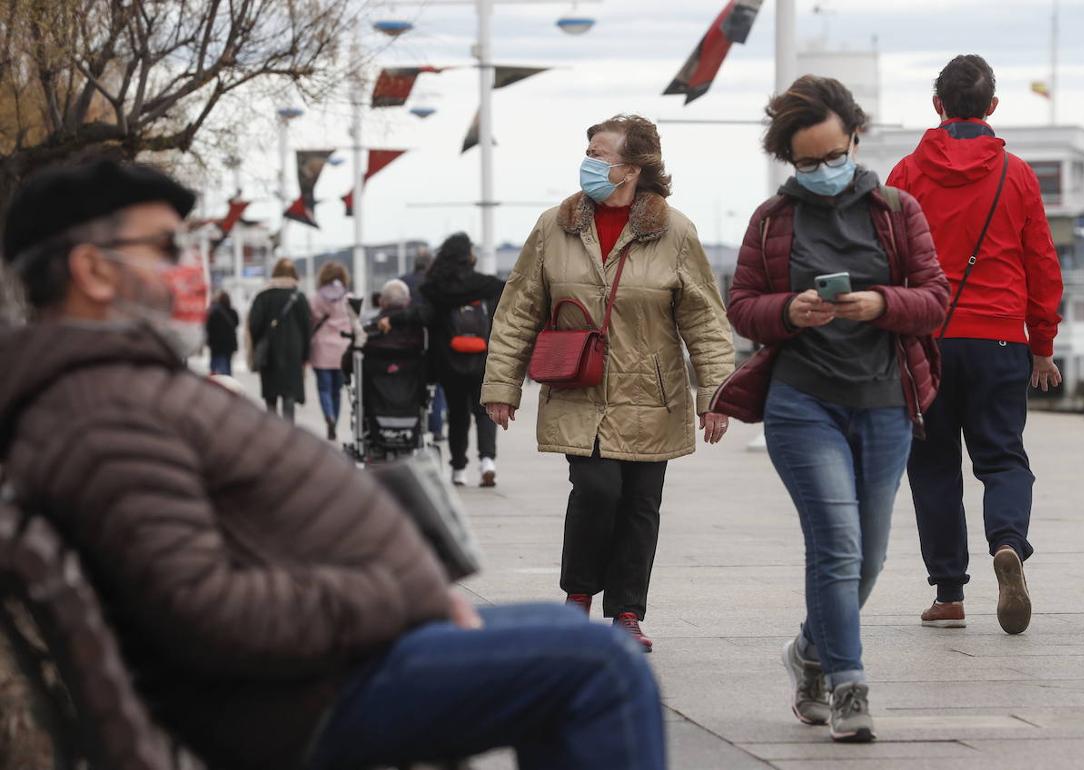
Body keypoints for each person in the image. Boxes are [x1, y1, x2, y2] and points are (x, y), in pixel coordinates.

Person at [0, 158, 666, 770]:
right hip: (301, 696)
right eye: (167, 249)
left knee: (559, 636)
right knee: (599, 665)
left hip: (323, 667)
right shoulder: (104, 412)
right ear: (92, 270)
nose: (189, 269)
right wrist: (399, 599)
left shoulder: (116, 386)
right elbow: (203, 607)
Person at [720, 76, 948, 742]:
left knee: (869, 558)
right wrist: (787, 311)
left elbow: (935, 297)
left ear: (855, 134)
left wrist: (883, 303)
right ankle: (849, 686)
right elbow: (741, 307)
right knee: (837, 548)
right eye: (808, 162)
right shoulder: (771, 221)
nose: (823, 170)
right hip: (803, 402)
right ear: (790, 161)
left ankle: (809, 654)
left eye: (832, 153)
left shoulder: (897, 210)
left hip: (885, 402)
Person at [482, 114, 736, 651]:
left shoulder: (676, 232)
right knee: (597, 491)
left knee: (641, 504)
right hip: (581, 387)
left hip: (653, 393)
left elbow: (705, 320)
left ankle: (625, 612)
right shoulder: (556, 225)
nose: (589, 162)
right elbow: (518, 307)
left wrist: (715, 394)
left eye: (600, 153)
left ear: (632, 169)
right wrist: (501, 385)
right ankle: (578, 599)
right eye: (588, 151)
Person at [887, 54, 1064, 635]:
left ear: (938, 105)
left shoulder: (907, 174)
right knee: (1003, 456)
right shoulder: (1017, 174)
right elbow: (1042, 264)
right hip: (999, 340)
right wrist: (1042, 343)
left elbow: (883, 261)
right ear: (992, 107)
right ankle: (1008, 542)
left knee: (933, 466)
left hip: (926, 341)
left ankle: (949, 593)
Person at [416, 233, 504, 487]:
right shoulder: (487, 286)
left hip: (449, 362)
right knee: (484, 413)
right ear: (469, 256)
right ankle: (487, 461)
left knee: (457, 415)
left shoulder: (435, 289)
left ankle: (458, 470)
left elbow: (427, 319)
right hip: (482, 360)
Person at [247, 258, 311, 422]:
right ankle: (288, 431)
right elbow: (307, 328)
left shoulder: (263, 296)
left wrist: (257, 344)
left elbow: (253, 324)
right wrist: (305, 355)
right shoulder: (299, 297)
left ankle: (272, 431)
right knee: (289, 393)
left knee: (271, 393)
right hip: (293, 351)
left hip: (269, 351)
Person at [401, 247, 446, 440]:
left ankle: (414, 426)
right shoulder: (440, 282)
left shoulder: (402, 282)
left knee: (410, 385)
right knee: (437, 387)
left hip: (409, 343)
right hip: (436, 343)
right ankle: (436, 428)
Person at [309, 261, 356, 441]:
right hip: (342, 349)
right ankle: (334, 422)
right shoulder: (349, 298)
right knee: (337, 391)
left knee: (324, 389)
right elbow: (354, 323)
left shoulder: (316, 298)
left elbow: (311, 321)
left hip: (321, 348)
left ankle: (328, 415)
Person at [206, 290, 238, 375]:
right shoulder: (233, 312)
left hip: (217, 346)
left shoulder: (214, 312)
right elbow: (237, 323)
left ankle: (219, 385)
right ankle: (228, 383)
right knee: (227, 366)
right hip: (229, 345)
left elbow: (208, 328)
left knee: (217, 368)